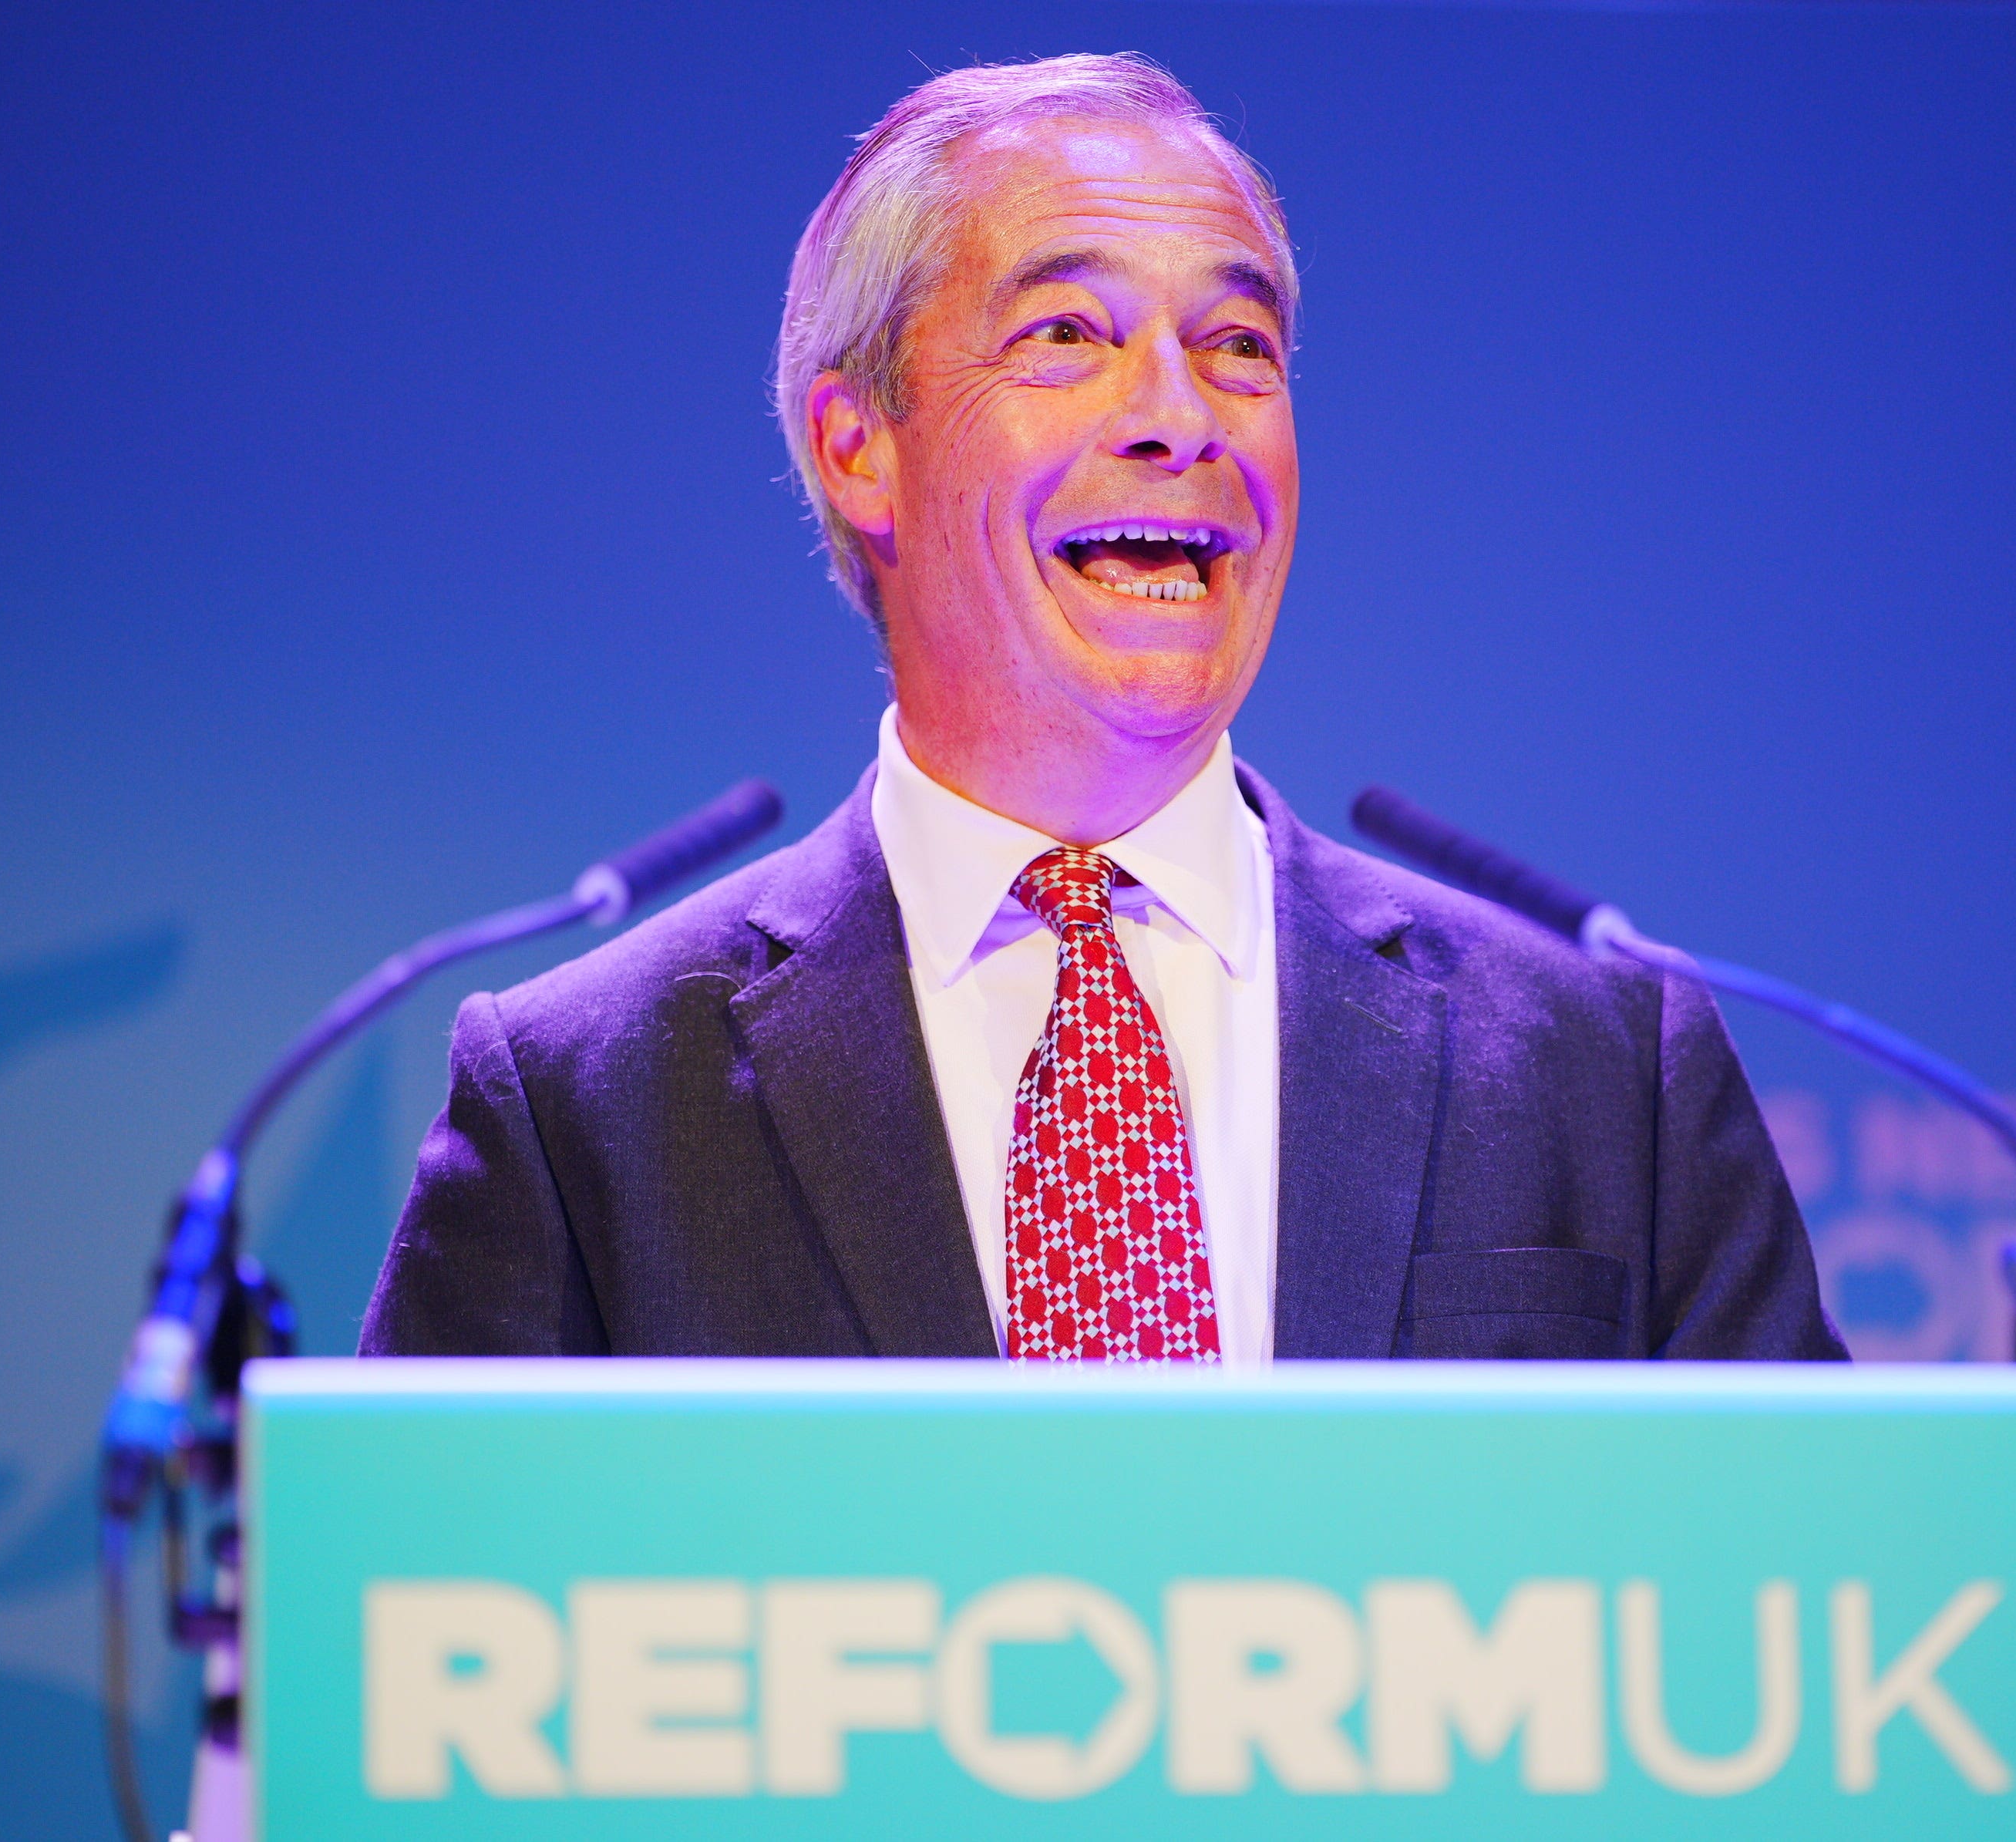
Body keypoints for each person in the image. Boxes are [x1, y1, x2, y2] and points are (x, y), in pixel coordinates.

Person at [362, 53, 1843, 1366]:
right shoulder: (584, 1105)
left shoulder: (1606, 1068)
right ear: (859, 445)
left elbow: (1801, 1563)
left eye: (1239, 346)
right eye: (1069, 334)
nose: (1181, 419)